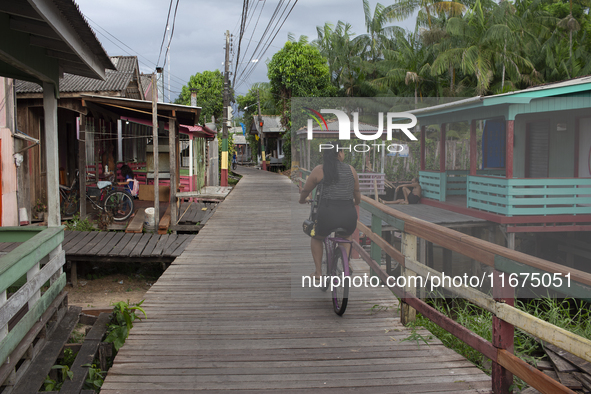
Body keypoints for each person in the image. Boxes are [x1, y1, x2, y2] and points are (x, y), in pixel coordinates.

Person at [299, 142, 361, 278]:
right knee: (346, 235)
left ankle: (318, 272)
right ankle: (347, 264)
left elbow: (306, 190)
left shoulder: (319, 170)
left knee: (316, 237)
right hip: (348, 215)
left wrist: (302, 200)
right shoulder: (351, 170)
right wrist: (356, 202)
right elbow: (357, 193)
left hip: (327, 215)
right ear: (339, 153)